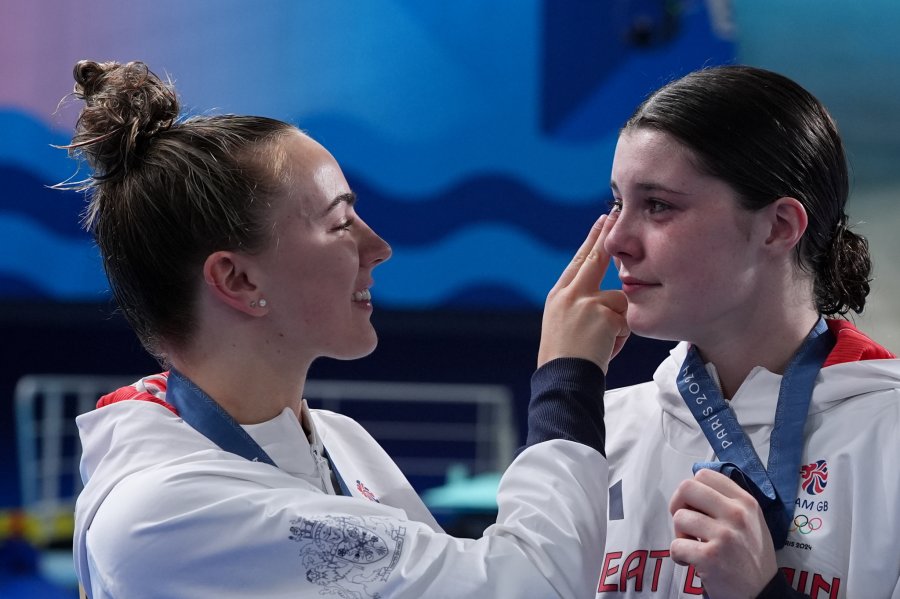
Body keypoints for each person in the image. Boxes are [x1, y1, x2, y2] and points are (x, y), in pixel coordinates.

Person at [63, 60, 630, 599]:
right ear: (235, 279)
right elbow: (532, 587)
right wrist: (567, 375)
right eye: (340, 223)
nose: (378, 248)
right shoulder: (169, 513)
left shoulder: (340, 441)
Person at [576, 65, 899, 598]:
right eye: (617, 203)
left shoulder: (887, 434)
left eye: (658, 205)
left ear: (778, 227)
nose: (617, 241)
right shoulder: (604, 430)